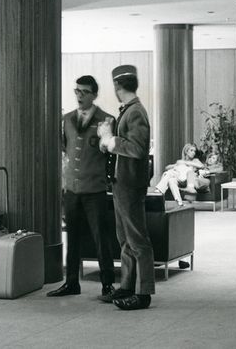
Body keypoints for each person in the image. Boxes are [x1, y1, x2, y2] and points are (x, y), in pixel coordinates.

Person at [48, 76, 117, 299]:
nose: (79, 96)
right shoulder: (66, 119)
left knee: (101, 237)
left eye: (84, 92)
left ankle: (107, 284)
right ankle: (71, 283)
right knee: (73, 237)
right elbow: (65, 150)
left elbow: (111, 155)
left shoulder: (106, 120)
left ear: (94, 94)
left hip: (94, 188)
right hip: (72, 188)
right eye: (77, 91)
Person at [97, 65, 154, 311]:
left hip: (130, 183)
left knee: (137, 239)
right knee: (125, 239)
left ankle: (143, 293)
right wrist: (107, 142)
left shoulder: (135, 112)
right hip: (122, 182)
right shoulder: (129, 111)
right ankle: (127, 286)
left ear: (118, 87)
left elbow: (138, 149)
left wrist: (111, 140)